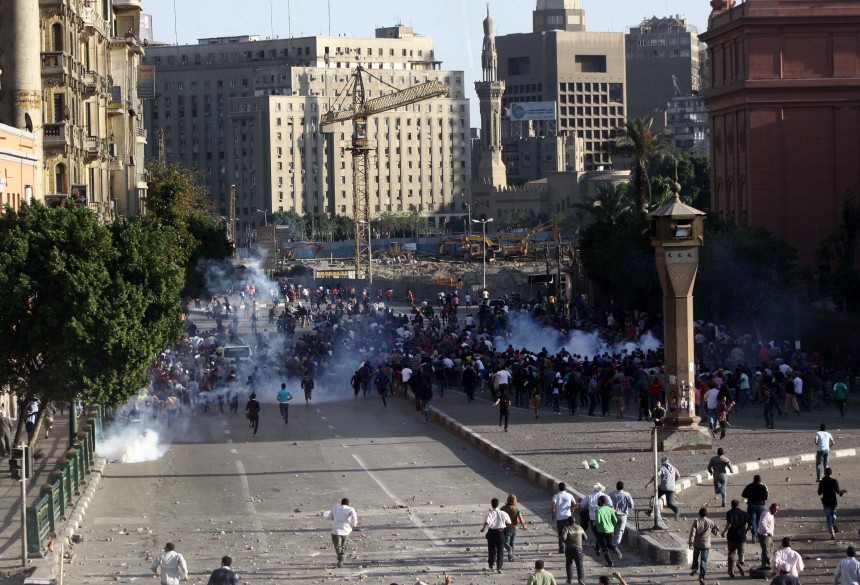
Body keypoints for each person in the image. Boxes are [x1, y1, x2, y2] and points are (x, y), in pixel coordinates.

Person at [479, 497, 511, 573]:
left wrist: (483, 528)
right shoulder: (503, 513)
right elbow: (509, 522)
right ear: (498, 504)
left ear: (491, 504)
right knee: (500, 551)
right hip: (500, 533)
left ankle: (491, 566)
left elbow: (486, 522)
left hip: (491, 532)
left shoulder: (489, 513)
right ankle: (499, 567)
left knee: (491, 550)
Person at [324, 497, 358, 568]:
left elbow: (329, 516)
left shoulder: (335, 508)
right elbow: (354, 517)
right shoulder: (350, 509)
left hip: (336, 531)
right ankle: (342, 555)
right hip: (346, 531)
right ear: (348, 504)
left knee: (337, 546)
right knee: (344, 545)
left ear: (341, 503)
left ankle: (340, 557)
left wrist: (326, 515)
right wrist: (354, 524)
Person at [688, 507, 719, 585]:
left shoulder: (696, 521)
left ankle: (695, 568)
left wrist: (691, 543)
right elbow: (715, 532)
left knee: (695, 556)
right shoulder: (710, 522)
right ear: (706, 514)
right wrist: (717, 530)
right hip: (706, 545)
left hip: (697, 543)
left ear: (699, 514)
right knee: (704, 561)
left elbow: (692, 533)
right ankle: (701, 577)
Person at [721, 499, 751, 578]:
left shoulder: (729, 513)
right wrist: (745, 531)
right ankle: (740, 563)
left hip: (731, 537)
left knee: (731, 554)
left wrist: (724, 532)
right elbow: (751, 524)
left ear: (731, 505)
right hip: (741, 537)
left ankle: (731, 571)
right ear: (738, 505)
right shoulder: (744, 513)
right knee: (741, 553)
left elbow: (729, 523)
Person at [818, 467, 847, 539]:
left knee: (828, 518)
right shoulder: (834, 481)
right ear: (831, 473)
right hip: (833, 502)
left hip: (825, 502)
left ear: (825, 473)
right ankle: (833, 522)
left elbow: (819, 493)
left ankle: (832, 533)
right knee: (833, 514)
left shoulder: (822, 482)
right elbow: (839, 492)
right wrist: (842, 491)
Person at [594, 496, 621, 567]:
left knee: (604, 547)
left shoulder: (598, 510)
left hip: (602, 530)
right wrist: (611, 526)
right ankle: (615, 549)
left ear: (599, 501)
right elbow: (615, 520)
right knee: (610, 544)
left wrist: (594, 523)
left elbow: (598, 521)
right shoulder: (610, 509)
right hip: (611, 530)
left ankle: (610, 563)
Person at [500, 493, 528, 562]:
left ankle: (508, 548)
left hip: (506, 528)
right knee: (512, 542)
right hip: (514, 528)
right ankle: (511, 557)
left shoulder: (502, 508)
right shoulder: (517, 509)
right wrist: (524, 526)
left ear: (507, 500)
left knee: (505, 542)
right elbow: (521, 519)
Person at [560, 517, 587, 585]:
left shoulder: (566, 528)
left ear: (568, 522)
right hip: (578, 549)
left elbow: (563, 538)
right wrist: (579, 539)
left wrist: (562, 537)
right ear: (574, 521)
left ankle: (569, 579)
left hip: (569, 549)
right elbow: (585, 537)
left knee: (569, 564)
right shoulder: (579, 527)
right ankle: (581, 579)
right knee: (580, 565)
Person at [552, 483, 577, 553]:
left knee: (561, 533)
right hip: (568, 517)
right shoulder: (569, 495)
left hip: (559, 517)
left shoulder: (556, 496)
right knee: (568, 532)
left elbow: (553, 507)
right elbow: (575, 504)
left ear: (559, 488)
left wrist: (553, 515)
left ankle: (561, 548)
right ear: (565, 488)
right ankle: (569, 546)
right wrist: (572, 509)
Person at [609, 481, 634, 550]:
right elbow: (631, 505)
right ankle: (615, 546)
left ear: (616, 486)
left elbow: (607, 503)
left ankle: (611, 544)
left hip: (613, 515)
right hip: (623, 516)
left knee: (612, 530)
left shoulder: (611, 494)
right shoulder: (627, 494)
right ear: (623, 487)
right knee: (619, 532)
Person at [757, 503, 779, 570]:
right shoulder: (766, 514)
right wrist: (768, 531)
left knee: (771, 546)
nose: (776, 511)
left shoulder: (771, 513)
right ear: (771, 508)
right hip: (764, 534)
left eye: (777, 510)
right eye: (775, 509)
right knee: (766, 550)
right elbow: (762, 524)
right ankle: (769, 564)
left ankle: (764, 563)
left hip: (768, 534)